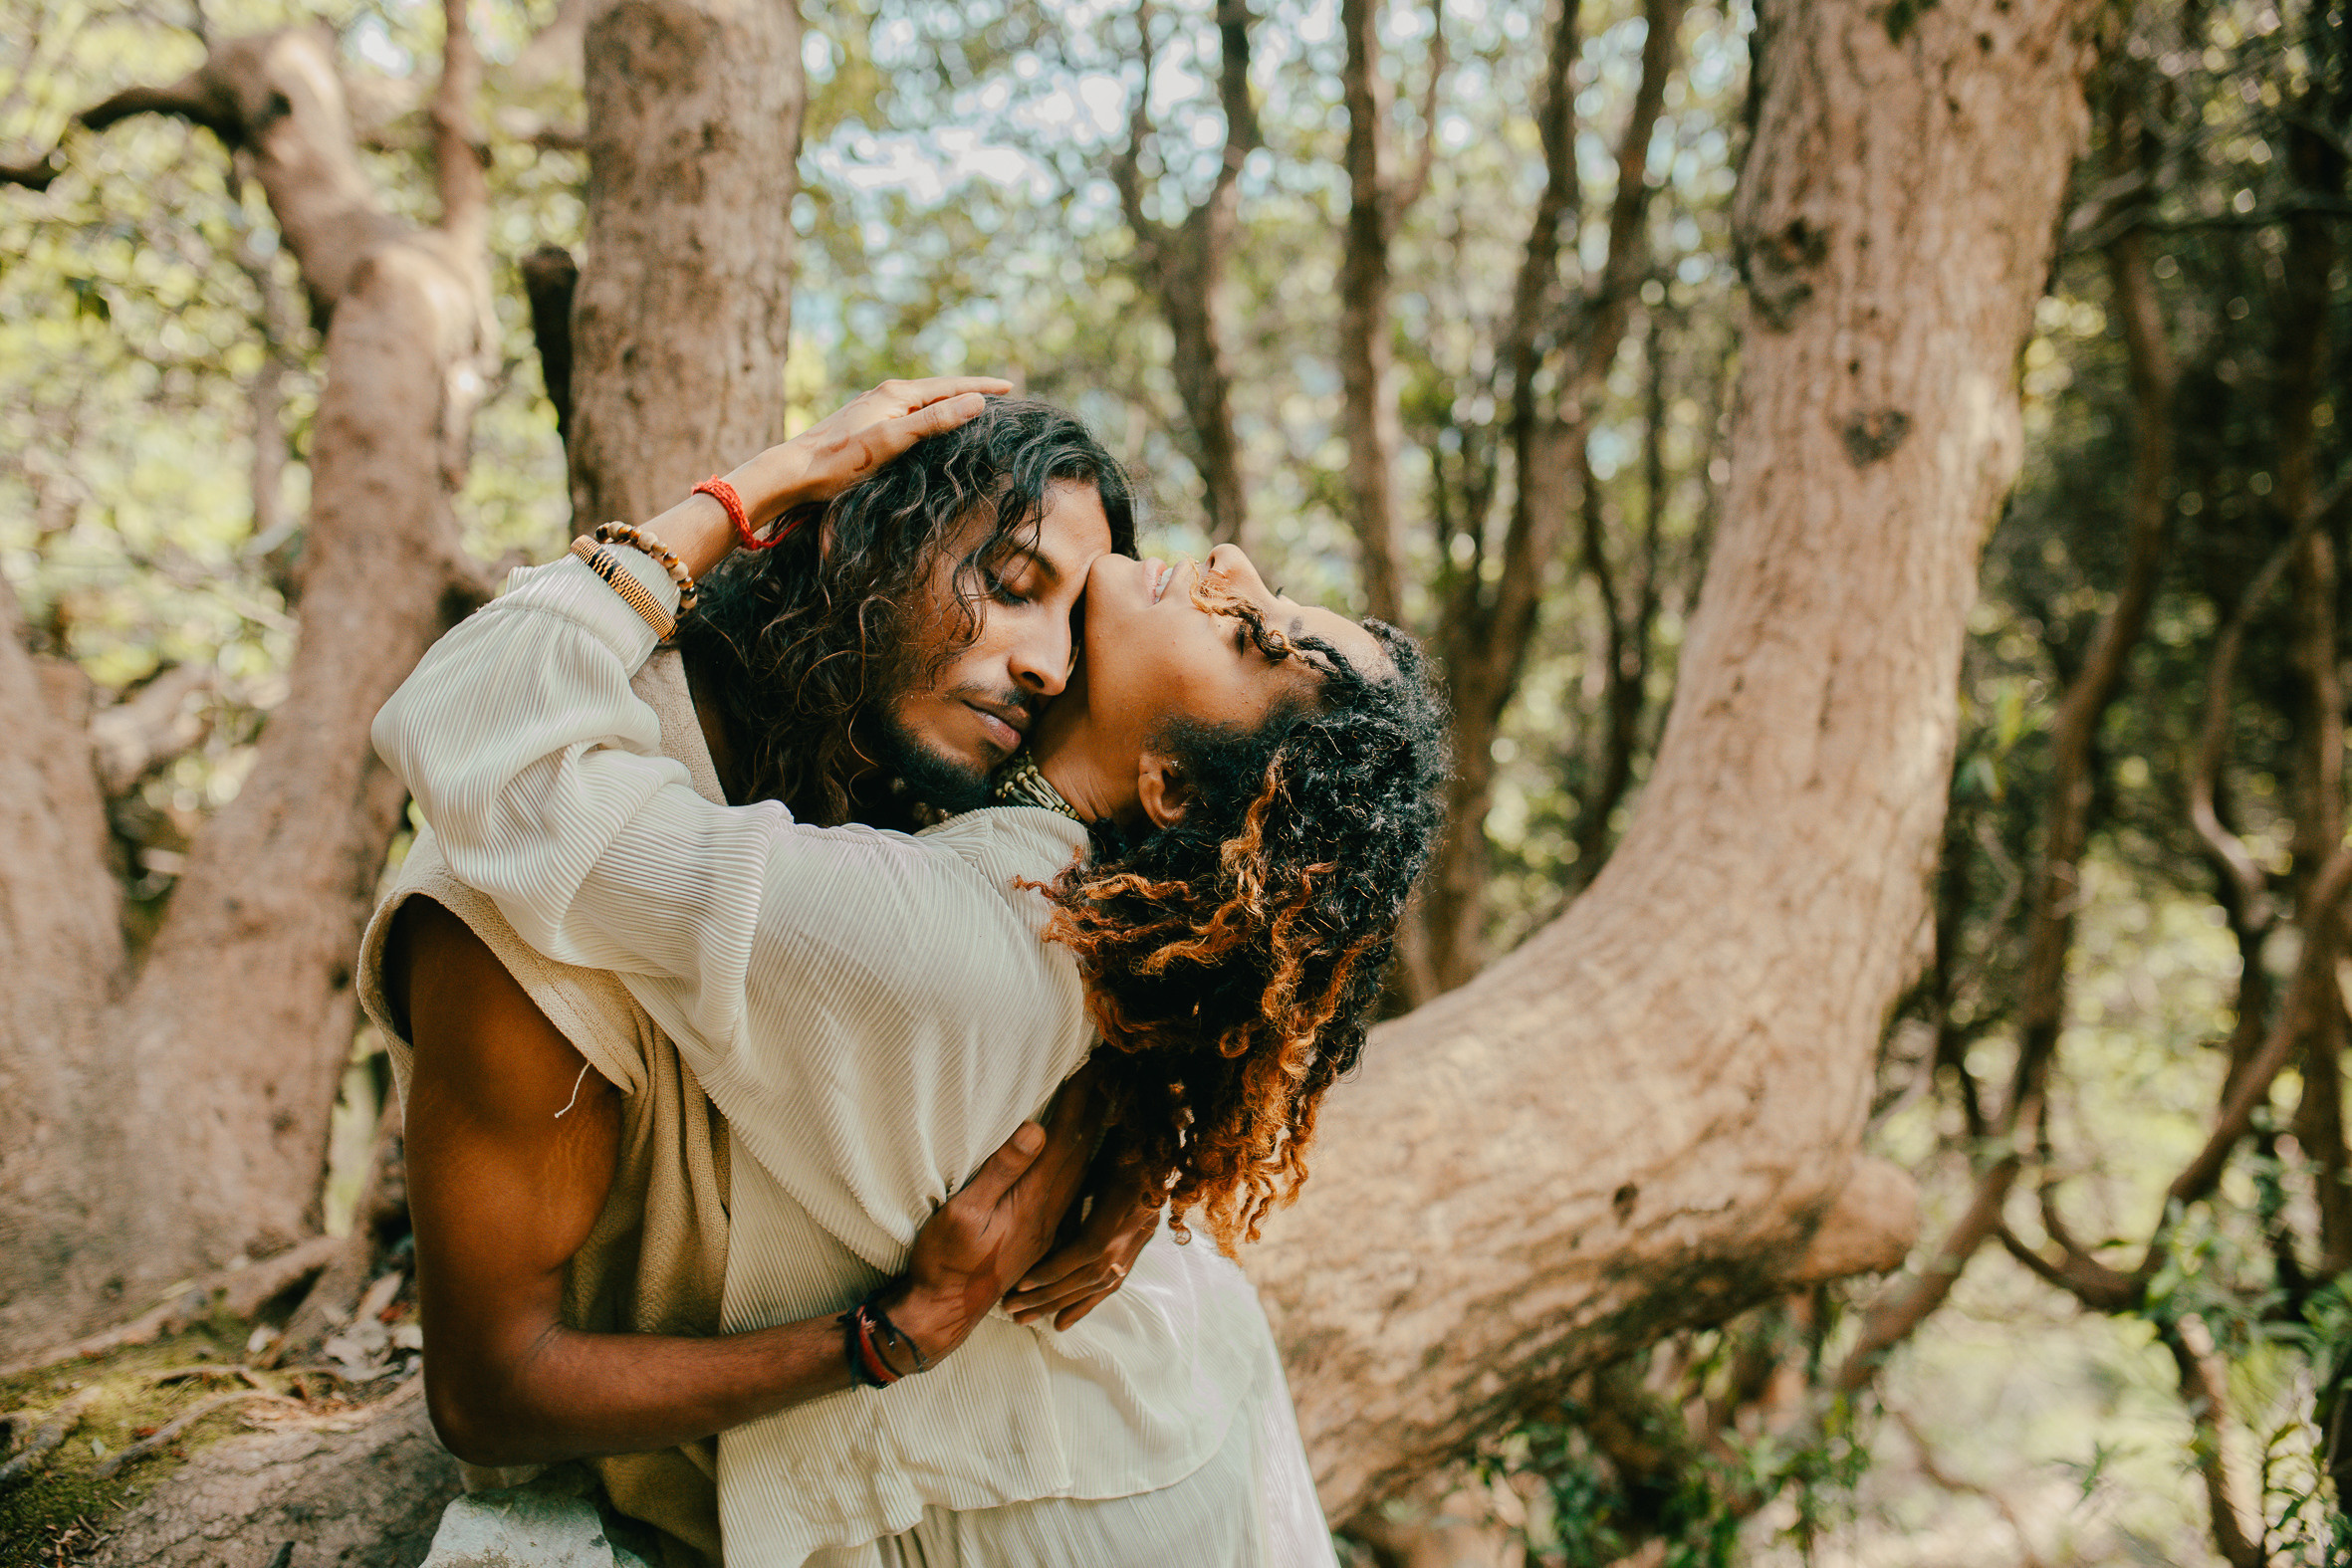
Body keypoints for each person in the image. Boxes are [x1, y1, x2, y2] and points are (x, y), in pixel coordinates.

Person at [373, 383, 1451, 1562]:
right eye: (1010, 585)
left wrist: (749, 489)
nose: (1042, 663)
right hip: (1137, 1429)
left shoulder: (951, 899)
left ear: (1175, 795)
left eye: (1250, 633)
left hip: (1091, 1480)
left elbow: (480, 729)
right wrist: (920, 1310)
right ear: (855, 538)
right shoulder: (1022, 884)